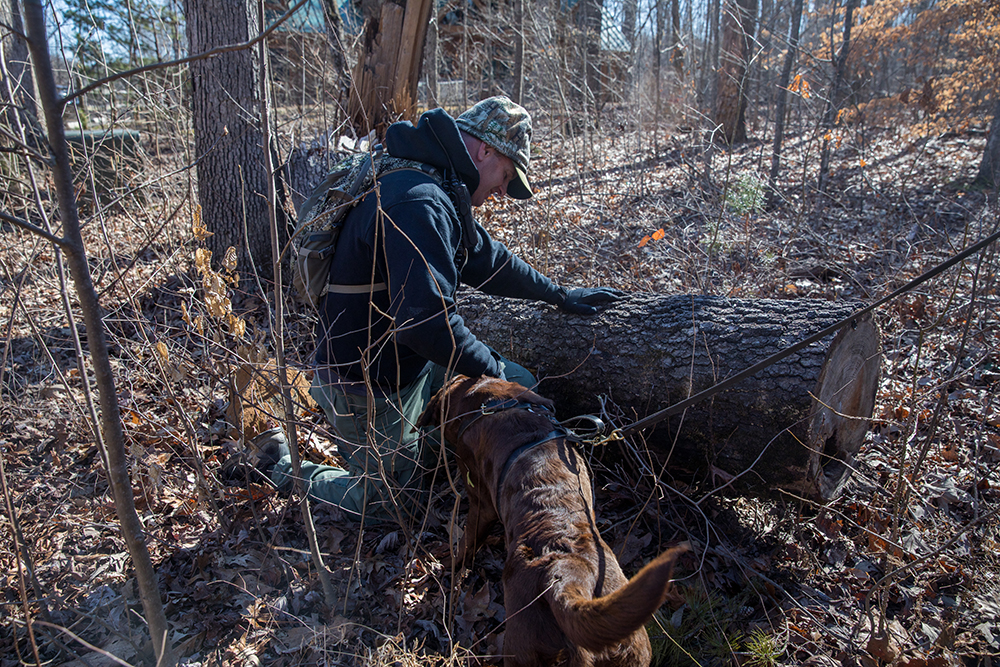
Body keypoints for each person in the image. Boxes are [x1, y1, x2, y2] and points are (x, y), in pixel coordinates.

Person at [255, 97, 621, 522]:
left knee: (523, 384)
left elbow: (485, 257)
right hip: (367, 385)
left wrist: (557, 293)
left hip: (413, 366)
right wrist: (493, 375)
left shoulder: (435, 180)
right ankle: (280, 464)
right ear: (485, 150)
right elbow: (427, 325)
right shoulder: (419, 199)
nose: (502, 191)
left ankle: (417, 451)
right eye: (506, 176)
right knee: (390, 505)